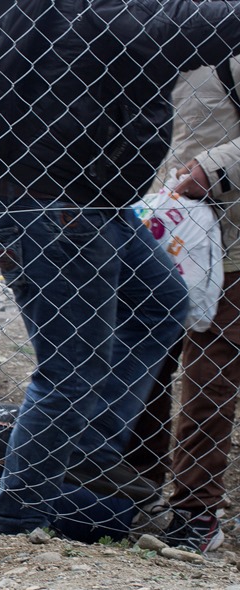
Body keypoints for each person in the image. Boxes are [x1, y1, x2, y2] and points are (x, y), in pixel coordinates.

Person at [0, 0, 240, 536]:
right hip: (56, 205)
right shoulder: (111, 11)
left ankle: (84, 451)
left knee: (161, 304)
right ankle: (8, 519)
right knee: (72, 370)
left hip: (99, 202)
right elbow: (184, 27)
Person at [132, 59, 240, 552]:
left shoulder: (224, 39)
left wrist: (213, 170)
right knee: (141, 366)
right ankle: (135, 493)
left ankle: (196, 511)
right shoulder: (149, 37)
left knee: (208, 375)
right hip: (157, 233)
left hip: (228, 240)